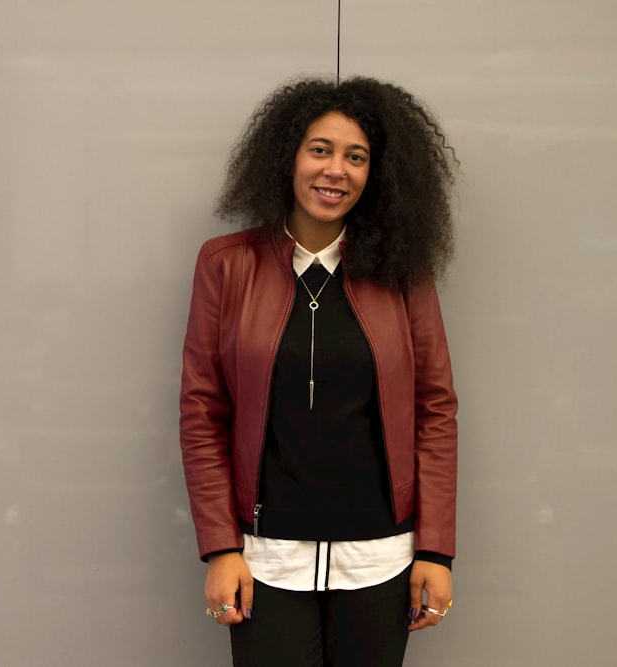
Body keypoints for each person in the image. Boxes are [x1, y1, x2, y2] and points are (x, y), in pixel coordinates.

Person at [179, 75, 458, 666]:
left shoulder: (404, 273)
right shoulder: (226, 265)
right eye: (320, 149)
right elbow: (202, 411)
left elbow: (436, 409)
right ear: (288, 158)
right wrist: (220, 548)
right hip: (265, 558)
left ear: (374, 174)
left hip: (381, 558)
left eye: (356, 157)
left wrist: (435, 551)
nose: (336, 170)